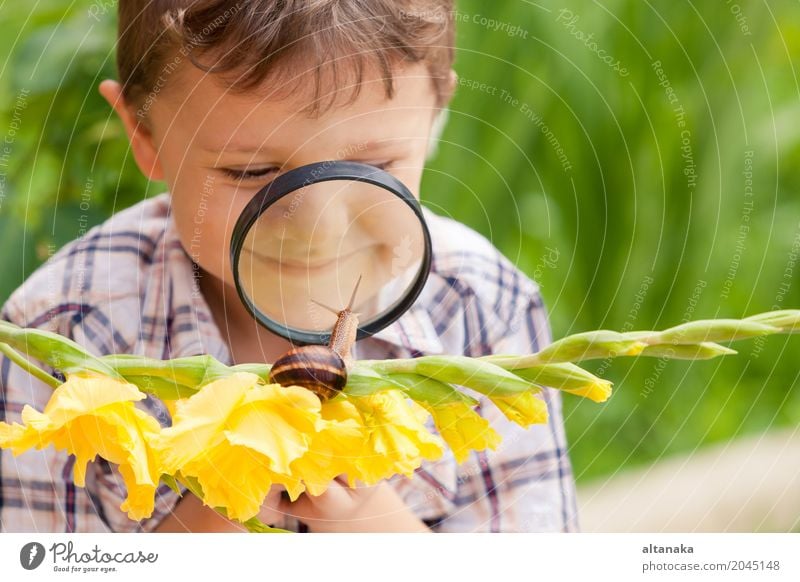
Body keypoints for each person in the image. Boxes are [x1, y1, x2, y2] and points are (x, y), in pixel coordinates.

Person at [0, 0, 578, 533]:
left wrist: (371, 526)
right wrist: (229, 497)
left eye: (373, 164)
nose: (318, 228)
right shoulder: (60, 328)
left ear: (434, 117)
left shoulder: (483, 306)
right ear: (144, 135)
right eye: (251, 173)